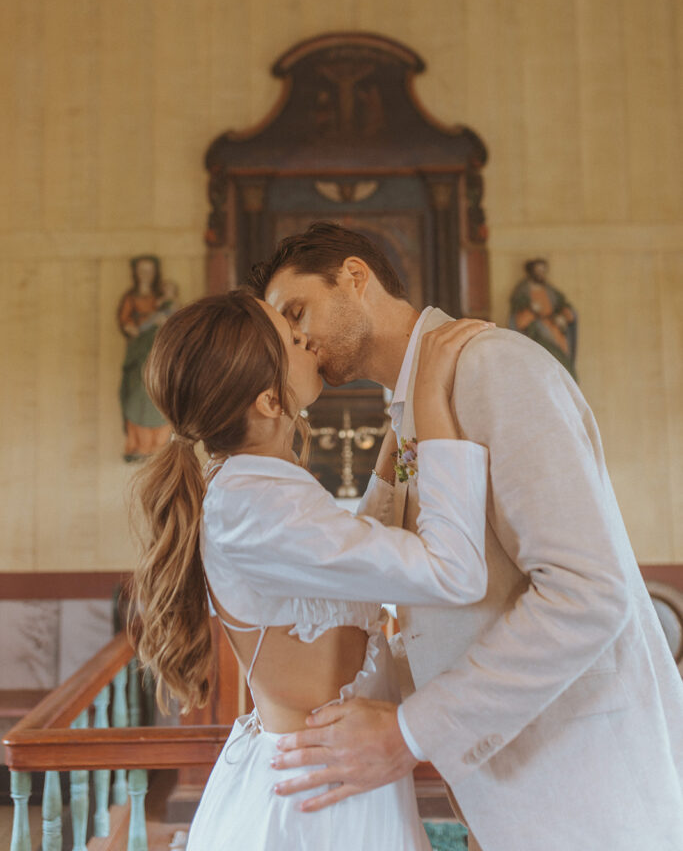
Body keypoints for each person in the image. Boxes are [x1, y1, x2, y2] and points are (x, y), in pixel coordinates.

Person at [249, 221, 683, 851]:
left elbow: (589, 593)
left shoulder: (492, 367)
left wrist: (407, 733)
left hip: (588, 789)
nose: (296, 339)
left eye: (297, 312)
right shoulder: (410, 409)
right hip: (513, 792)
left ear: (354, 277)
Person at [129, 289, 493, 850]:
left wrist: (404, 417)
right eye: (293, 339)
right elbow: (453, 572)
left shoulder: (260, 483)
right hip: (313, 805)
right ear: (272, 401)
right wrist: (432, 401)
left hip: (340, 776)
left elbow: (360, 550)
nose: (309, 340)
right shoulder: (255, 504)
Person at [117, 255, 174, 460]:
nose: (146, 275)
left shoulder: (162, 299)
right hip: (139, 351)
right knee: (135, 394)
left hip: (156, 348)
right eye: (142, 271)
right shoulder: (131, 298)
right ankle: (138, 445)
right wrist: (135, 327)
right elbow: (126, 323)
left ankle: (158, 444)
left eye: (149, 270)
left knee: (158, 391)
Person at [509, 257, 577, 379]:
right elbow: (519, 320)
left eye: (543, 271)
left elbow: (565, 310)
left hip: (555, 329)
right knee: (546, 363)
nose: (541, 274)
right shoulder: (522, 293)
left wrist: (562, 317)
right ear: (531, 272)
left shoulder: (551, 292)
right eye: (538, 271)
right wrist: (532, 312)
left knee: (563, 362)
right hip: (536, 334)